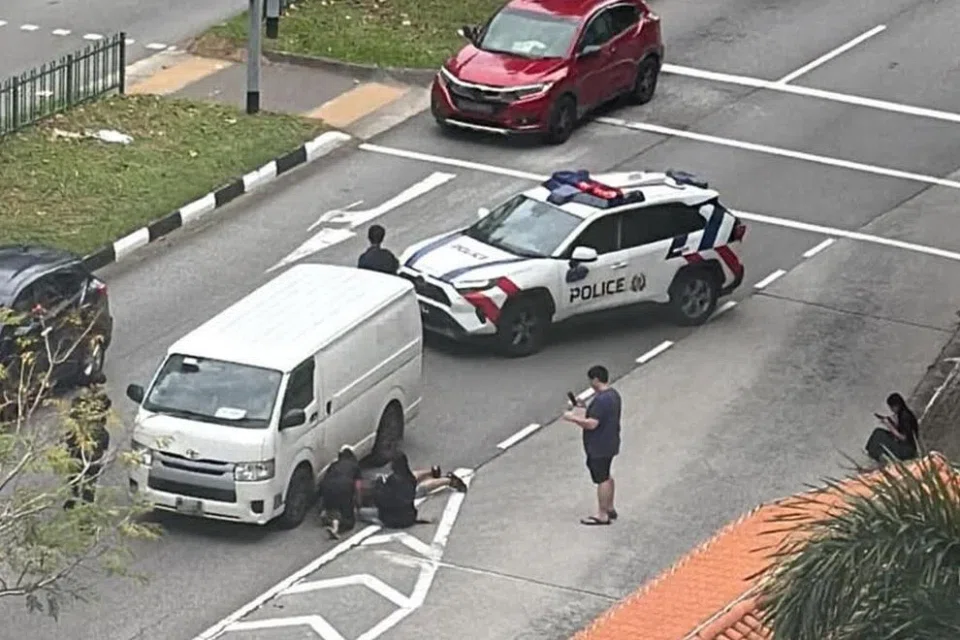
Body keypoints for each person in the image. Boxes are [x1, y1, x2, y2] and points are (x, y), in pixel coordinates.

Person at [563, 365, 621, 526]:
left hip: (598, 445)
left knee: (601, 479)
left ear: (595, 379)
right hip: (610, 442)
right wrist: (583, 407)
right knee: (607, 475)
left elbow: (591, 424)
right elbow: (600, 416)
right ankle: (609, 507)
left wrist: (572, 418)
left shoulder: (601, 401)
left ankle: (602, 515)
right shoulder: (613, 395)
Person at [359, 453, 467, 529]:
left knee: (361, 513)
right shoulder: (406, 477)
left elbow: (382, 500)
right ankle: (443, 478)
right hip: (409, 513)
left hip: (395, 518)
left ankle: (437, 475)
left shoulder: (393, 482)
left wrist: (379, 484)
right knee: (418, 490)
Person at [63, 378, 112, 509]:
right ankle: (80, 501)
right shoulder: (92, 401)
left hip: (87, 441)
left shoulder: (97, 401)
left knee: (83, 475)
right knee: (81, 474)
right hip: (82, 440)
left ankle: (81, 502)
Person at [318, 446, 364, 540]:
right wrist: (359, 503)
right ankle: (338, 527)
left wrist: (322, 505)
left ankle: (331, 521)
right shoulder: (355, 466)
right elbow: (358, 487)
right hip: (344, 490)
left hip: (328, 490)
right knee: (349, 522)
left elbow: (325, 481)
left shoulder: (333, 464)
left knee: (334, 509)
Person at [866, 392, 920, 463]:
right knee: (878, 432)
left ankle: (876, 455)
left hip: (907, 450)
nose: (891, 410)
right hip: (906, 446)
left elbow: (904, 438)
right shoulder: (904, 413)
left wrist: (889, 426)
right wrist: (890, 421)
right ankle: (874, 453)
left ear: (897, 406)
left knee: (878, 435)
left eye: (891, 407)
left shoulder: (905, 417)